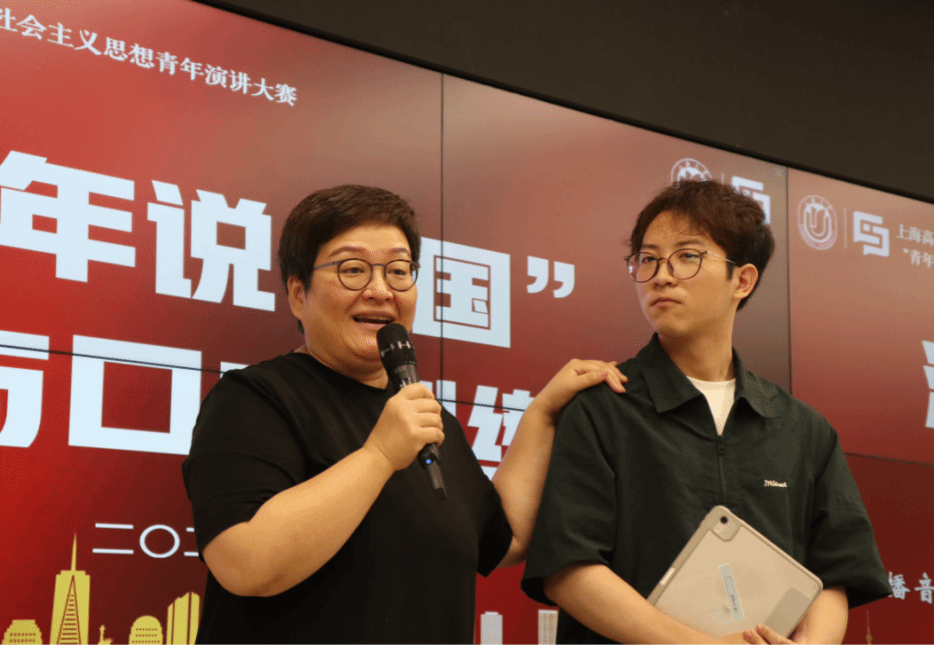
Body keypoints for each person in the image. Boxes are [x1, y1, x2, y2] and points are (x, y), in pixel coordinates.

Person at [181, 184, 626, 644]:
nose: (380, 291)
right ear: (298, 293)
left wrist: (542, 413)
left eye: (398, 271)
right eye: (353, 270)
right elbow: (245, 562)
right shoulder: (254, 398)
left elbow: (502, 539)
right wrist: (379, 455)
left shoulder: (426, 417)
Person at [521, 179, 891, 645]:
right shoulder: (603, 406)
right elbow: (568, 569)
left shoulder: (802, 429)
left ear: (743, 280)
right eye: (648, 259)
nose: (662, 275)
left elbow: (834, 575)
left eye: (687, 256)